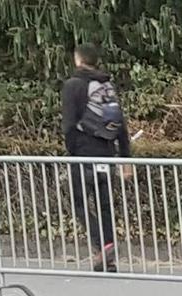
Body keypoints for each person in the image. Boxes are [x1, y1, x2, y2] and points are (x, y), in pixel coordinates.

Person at [61, 43, 132, 273]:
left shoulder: (73, 85)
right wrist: (125, 158)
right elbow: (120, 125)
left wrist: (71, 152)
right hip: (107, 154)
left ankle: (102, 245)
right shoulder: (106, 85)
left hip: (83, 154)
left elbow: (69, 125)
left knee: (79, 203)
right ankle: (107, 258)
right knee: (105, 205)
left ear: (78, 60)